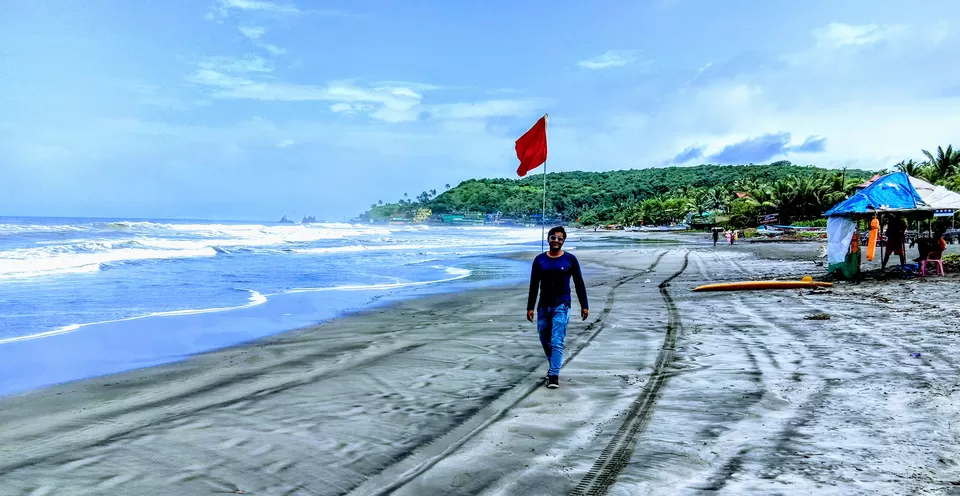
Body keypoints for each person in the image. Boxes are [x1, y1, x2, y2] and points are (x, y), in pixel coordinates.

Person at [526, 226, 589, 389]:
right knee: (544, 339)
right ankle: (553, 364)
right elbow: (533, 285)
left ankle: (554, 375)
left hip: (562, 304)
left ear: (563, 241)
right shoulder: (539, 260)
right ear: (548, 239)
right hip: (543, 306)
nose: (556, 241)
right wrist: (530, 307)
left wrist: (584, 305)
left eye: (560, 239)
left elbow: (579, 283)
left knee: (557, 340)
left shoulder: (570, 260)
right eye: (553, 238)